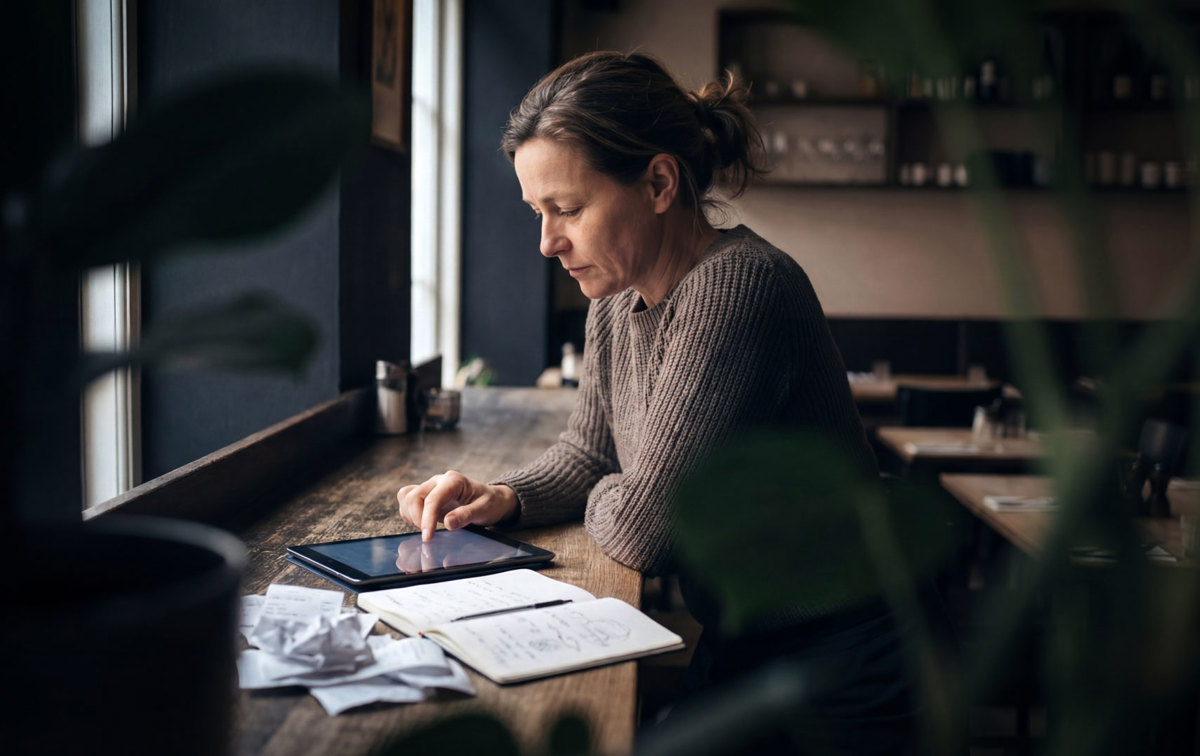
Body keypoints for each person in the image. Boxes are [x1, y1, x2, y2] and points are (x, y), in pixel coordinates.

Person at [396, 51, 913, 752]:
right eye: (538, 213)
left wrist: (629, 487)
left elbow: (648, 530)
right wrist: (503, 496)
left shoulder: (741, 286)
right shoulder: (615, 299)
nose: (547, 242)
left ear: (660, 183)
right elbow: (590, 454)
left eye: (568, 209)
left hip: (851, 660)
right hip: (748, 641)